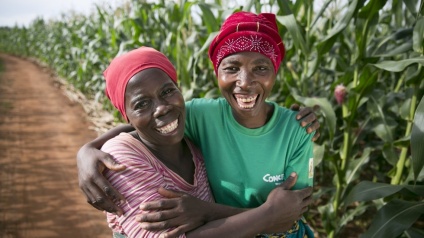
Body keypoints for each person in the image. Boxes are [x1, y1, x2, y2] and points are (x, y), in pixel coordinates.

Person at [78, 11, 320, 237]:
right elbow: (145, 127)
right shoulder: (203, 116)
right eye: (232, 68)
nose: (245, 82)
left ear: (274, 73)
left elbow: (288, 216)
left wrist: (207, 211)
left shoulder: (296, 130)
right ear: (217, 73)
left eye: (260, 68)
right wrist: (88, 149)